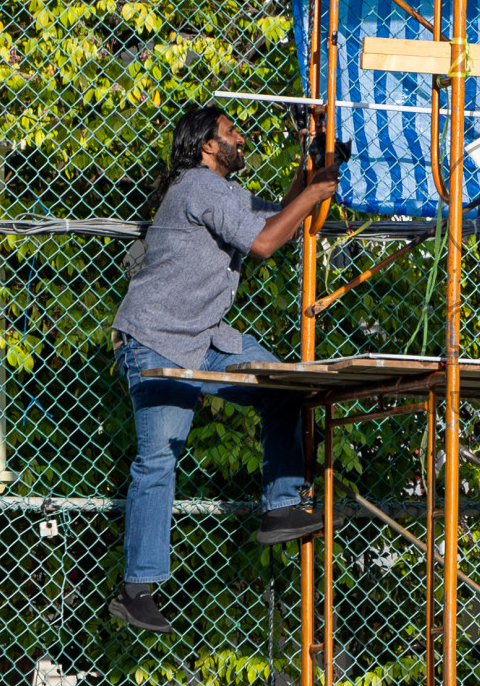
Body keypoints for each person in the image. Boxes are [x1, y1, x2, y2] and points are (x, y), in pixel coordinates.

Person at [108, 105, 341, 633]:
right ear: (208, 146)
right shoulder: (196, 186)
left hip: (203, 340)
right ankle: (135, 588)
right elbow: (262, 244)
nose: (242, 137)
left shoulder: (224, 193)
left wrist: (311, 168)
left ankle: (280, 507)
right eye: (232, 132)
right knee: (158, 457)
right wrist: (315, 193)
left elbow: (275, 217)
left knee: (284, 388)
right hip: (155, 341)